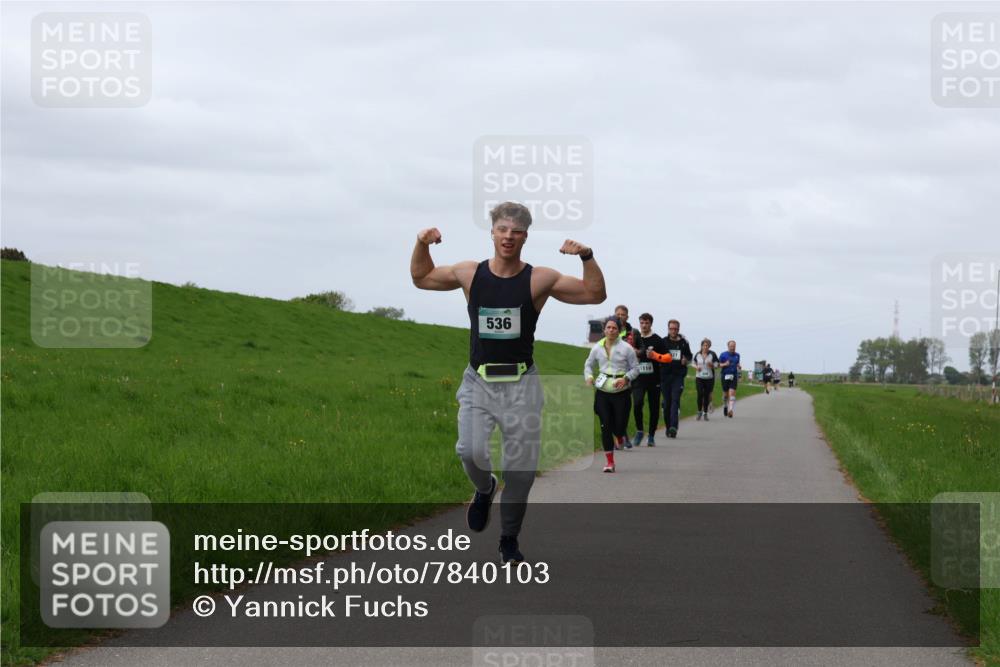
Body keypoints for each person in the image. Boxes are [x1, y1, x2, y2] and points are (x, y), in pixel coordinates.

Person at [410, 201, 606, 564]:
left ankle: (509, 539)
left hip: (522, 386)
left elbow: (594, 294)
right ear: (493, 232)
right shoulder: (470, 274)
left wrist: (587, 256)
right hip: (478, 382)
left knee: (521, 472)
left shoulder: (539, 279)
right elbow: (422, 278)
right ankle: (485, 488)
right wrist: (421, 243)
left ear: (525, 237)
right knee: (470, 451)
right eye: (503, 229)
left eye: (516, 232)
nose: (509, 237)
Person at [585, 318, 640, 472]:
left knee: (619, 426)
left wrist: (626, 378)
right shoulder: (597, 347)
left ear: (619, 330)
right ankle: (610, 462)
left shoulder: (627, 348)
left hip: (621, 393)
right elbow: (588, 365)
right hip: (603, 392)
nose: (610, 330)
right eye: (608, 327)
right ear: (604, 330)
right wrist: (589, 377)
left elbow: (636, 369)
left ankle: (620, 435)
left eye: (614, 328)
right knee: (605, 426)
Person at [647, 319, 692, 438]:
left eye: (675, 329)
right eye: (671, 328)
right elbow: (655, 357)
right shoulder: (662, 342)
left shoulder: (683, 343)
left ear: (678, 329)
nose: (673, 331)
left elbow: (689, 356)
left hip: (678, 375)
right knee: (667, 403)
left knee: (675, 400)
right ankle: (668, 427)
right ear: (668, 329)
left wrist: (685, 360)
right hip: (665, 376)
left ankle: (673, 426)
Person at [629, 313, 662, 447]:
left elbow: (667, 357)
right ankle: (639, 431)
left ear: (651, 324)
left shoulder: (657, 340)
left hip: (654, 379)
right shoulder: (634, 338)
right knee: (637, 404)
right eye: (642, 323)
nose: (644, 325)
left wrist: (655, 356)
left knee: (654, 407)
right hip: (638, 378)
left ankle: (652, 435)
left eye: (646, 323)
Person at [693, 338, 719, 421]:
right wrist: (697, 367)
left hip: (709, 378)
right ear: (701, 346)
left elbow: (717, 364)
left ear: (709, 346)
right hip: (699, 377)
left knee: (706, 395)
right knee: (700, 394)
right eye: (704, 345)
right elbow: (693, 363)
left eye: (707, 345)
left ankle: (705, 413)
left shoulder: (712, 354)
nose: (705, 347)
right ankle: (699, 412)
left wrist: (712, 365)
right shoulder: (697, 354)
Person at [718, 340, 741, 418]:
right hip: (725, 376)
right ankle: (725, 406)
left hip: (733, 376)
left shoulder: (737, 355)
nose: (733, 348)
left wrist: (738, 366)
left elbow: (737, 363)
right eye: (731, 346)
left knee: (732, 393)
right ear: (728, 346)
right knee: (725, 395)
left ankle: (730, 410)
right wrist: (725, 364)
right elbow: (718, 365)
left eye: (734, 346)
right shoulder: (723, 355)